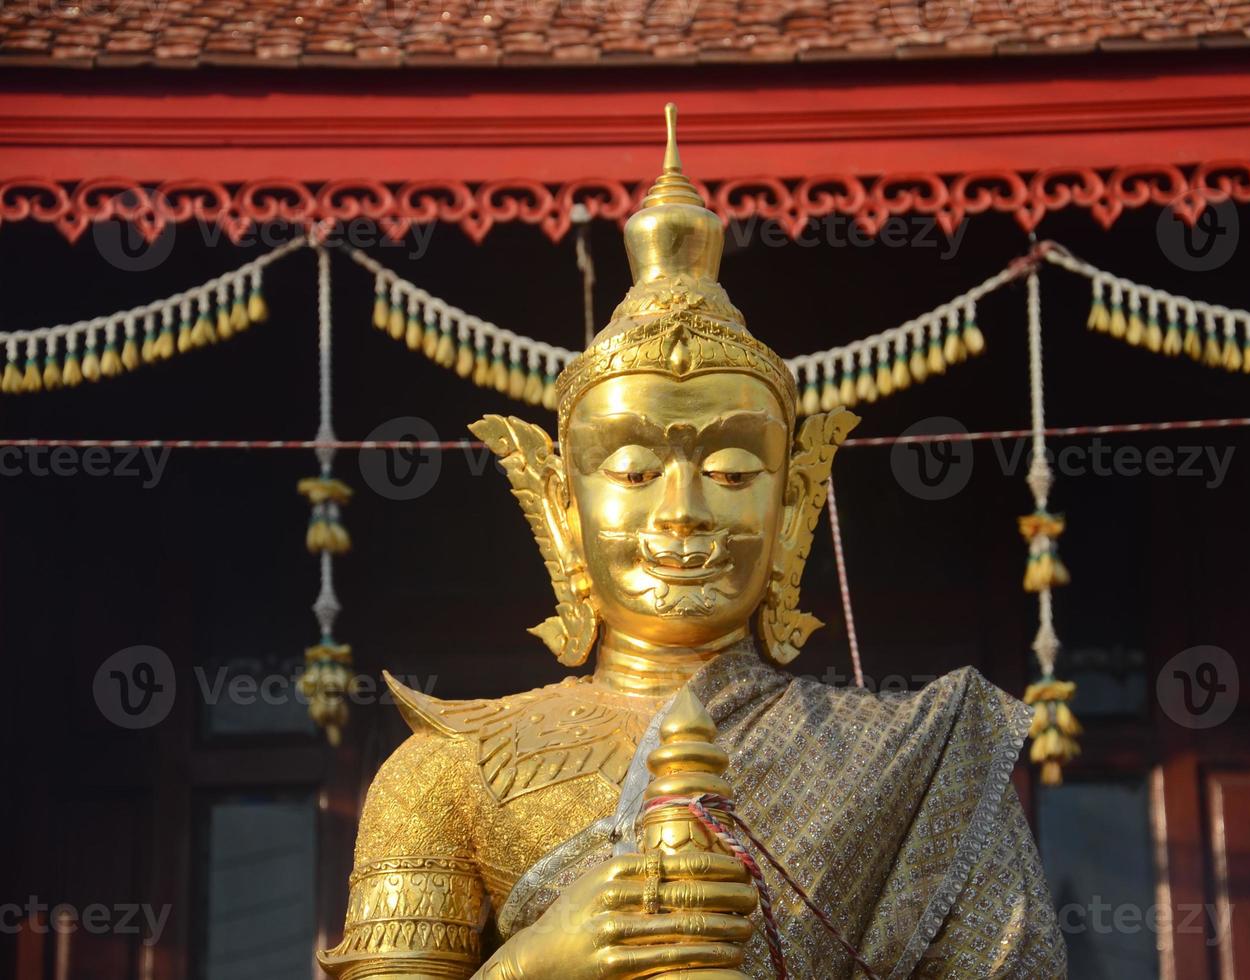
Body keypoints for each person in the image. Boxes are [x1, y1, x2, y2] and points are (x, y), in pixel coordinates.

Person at [320, 105, 1066, 980]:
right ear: (562, 509)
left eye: (733, 468)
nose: (683, 510)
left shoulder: (917, 761)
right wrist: (534, 965)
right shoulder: (446, 773)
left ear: (793, 508)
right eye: (632, 468)